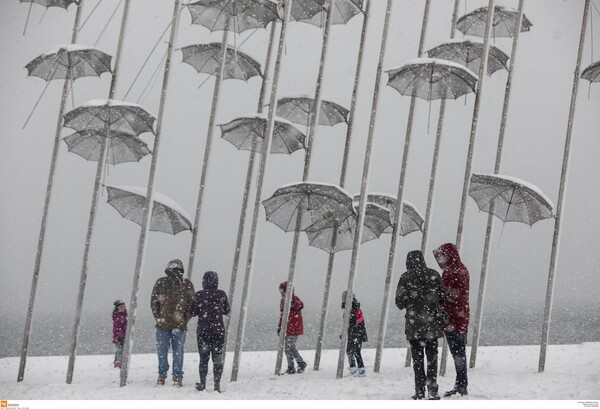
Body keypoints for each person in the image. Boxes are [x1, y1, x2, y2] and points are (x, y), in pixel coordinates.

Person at [395, 250, 447, 400]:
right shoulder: (434, 274)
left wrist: (411, 303)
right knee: (432, 358)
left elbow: (399, 303)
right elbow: (443, 298)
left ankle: (419, 391)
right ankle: (433, 390)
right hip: (431, 325)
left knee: (417, 360)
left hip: (414, 326)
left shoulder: (405, 277)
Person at [150, 259, 195, 387]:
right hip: (166, 325)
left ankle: (174, 376)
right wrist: (159, 318)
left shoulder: (186, 284)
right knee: (167, 351)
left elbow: (191, 305)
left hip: (177, 325)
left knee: (175, 351)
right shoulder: (161, 282)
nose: (174, 269)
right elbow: (154, 302)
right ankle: (165, 375)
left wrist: (184, 319)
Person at [433, 243, 470, 398]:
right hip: (459, 317)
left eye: (442, 256)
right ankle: (460, 384)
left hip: (454, 318)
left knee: (458, 353)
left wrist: (437, 293)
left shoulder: (453, 271)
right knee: (458, 353)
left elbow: (449, 294)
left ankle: (462, 385)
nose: (440, 259)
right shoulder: (460, 269)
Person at [189, 271, 230, 393]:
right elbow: (226, 310)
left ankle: (203, 383)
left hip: (203, 331)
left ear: (204, 281)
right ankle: (217, 383)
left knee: (203, 358)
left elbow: (192, 312)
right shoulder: (221, 294)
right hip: (218, 330)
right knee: (217, 358)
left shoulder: (199, 295)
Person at [278, 281, 307, 374]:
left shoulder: (294, 299)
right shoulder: (282, 301)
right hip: (287, 328)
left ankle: (300, 362)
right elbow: (282, 315)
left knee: (290, 346)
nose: (281, 293)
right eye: (280, 291)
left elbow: (300, 305)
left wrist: (291, 302)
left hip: (295, 327)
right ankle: (291, 367)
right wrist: (279, 326)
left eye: (283, 291)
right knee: (287, 348)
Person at [341, 290, 368, 377]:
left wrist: (347, 332)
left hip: (354, 333)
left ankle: (357, 369)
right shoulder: (355, 307)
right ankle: (359, 369)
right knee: (355, 351)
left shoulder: (351, 309)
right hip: (357, 333)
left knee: (352, 351)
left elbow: (351, 323)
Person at [112, 300, 127, 369]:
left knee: (120, 350)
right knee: (120, 350)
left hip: (122, 336)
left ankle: (117, 362)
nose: (123, 308)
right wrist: (120, 336)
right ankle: (118, 363)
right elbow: (117, 328)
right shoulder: (118, 317)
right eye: (121, 307)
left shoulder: (123, 316)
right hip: (119, 337)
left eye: (124, 307)